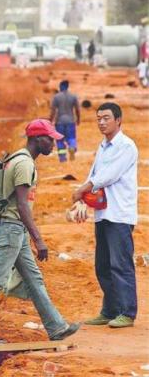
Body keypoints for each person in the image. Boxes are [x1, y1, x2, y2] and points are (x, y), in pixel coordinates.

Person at [0, 119, 80, 345]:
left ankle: (56, 326)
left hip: (14, 230)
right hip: (11, 229)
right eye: (50, 139)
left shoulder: (16, 158)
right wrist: (39, 239)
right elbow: (21, 205)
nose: (53, 144)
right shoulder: (24, 164)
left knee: (34, 278)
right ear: (38, 139)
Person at [72, 102, 138, 329]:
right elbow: (95, 173)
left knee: (120, 264)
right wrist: (82, 193)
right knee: (103, 265)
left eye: (106, 118)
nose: (101, 122)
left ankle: (127, 312)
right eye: (99, 118)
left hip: (119, 214)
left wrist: (83, 188)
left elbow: (108, 175)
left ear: (118, 120)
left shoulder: (126, 146)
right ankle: (110, 310)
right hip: (103, 213)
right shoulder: (103, 147)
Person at [49, 80, 80, 162]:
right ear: (67, 87)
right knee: (71, 138)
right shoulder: (73, 96)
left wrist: (50, 121)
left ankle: (62, 157)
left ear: (60, 87)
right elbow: (77, 109)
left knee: (60, 139)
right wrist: (78, 119)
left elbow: (53, 111)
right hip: (70, 121)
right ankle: (72, 147)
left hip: (59, 122)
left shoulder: (56, 97)